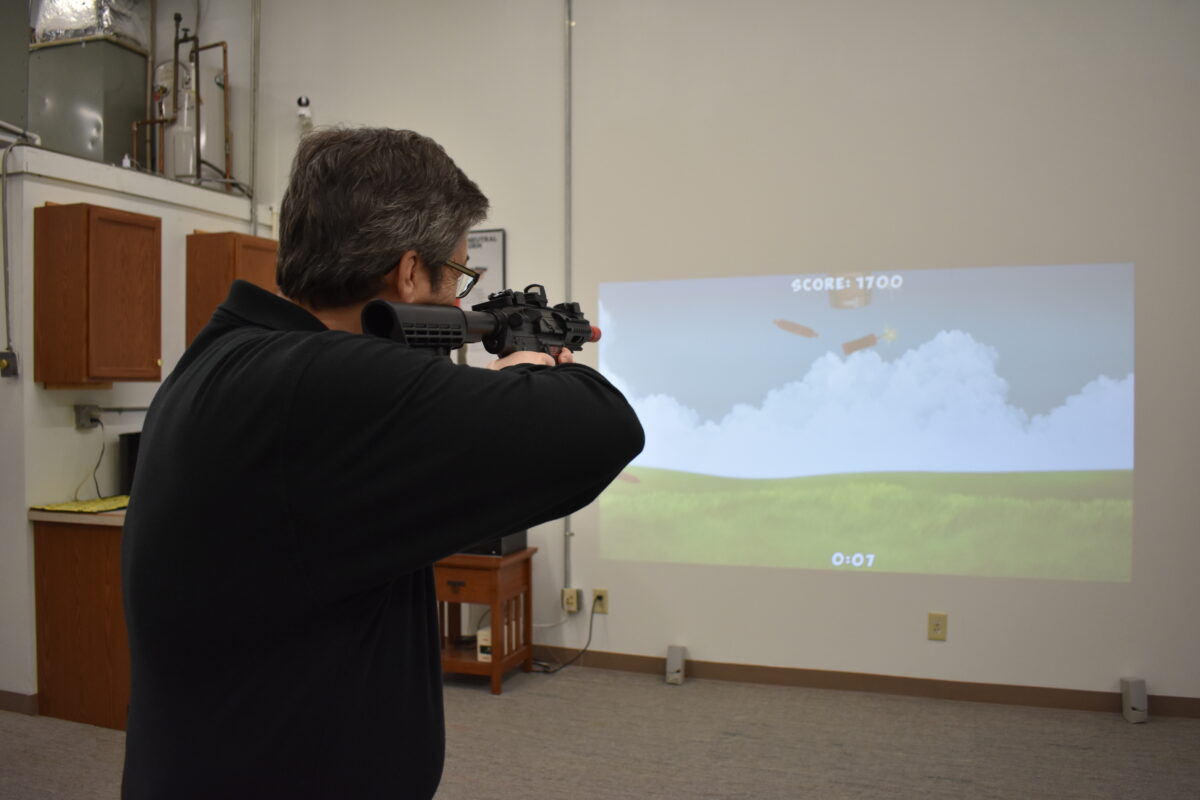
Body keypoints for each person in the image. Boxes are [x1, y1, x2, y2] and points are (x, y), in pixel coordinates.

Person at [121, 127, 644, 799]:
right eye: (456, 274)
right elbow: (602, 426)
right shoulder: (319, 383)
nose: (458, 295)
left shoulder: (233, 356)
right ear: (407, 272)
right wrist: (528, 369)